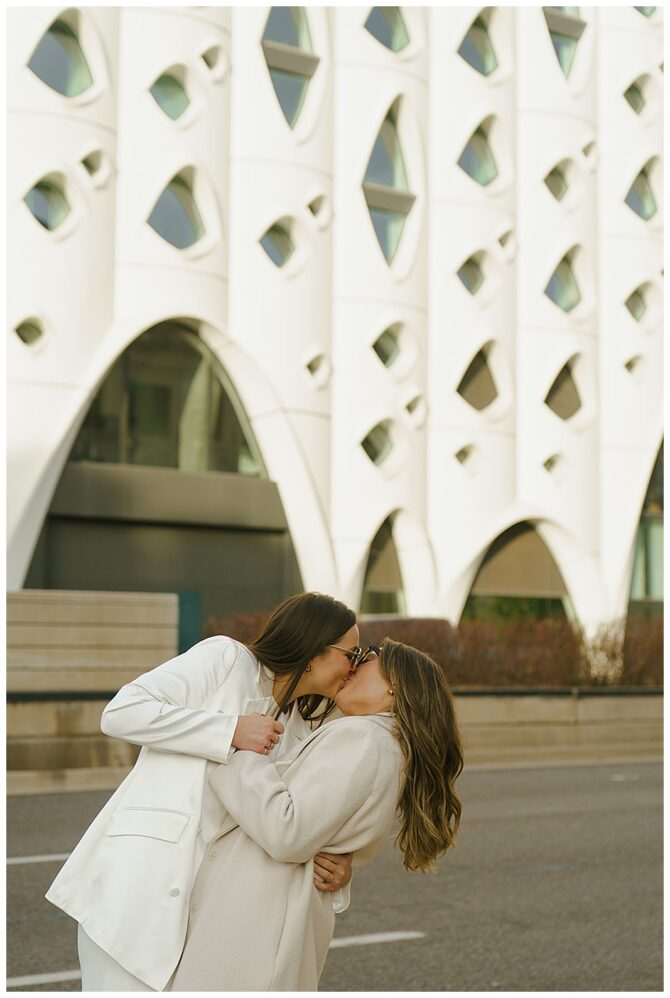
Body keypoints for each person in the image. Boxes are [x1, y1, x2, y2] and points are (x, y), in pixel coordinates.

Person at [46, 592, 363, 992]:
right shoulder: (226, 660)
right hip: (138, 890)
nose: (354, 667)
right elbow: (122, 712)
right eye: (349, 654)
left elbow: (288, 822)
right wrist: (229, 730)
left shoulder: (301, 730)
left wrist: (336, 865)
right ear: (312, 648)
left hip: (210, 913)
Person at [168, 637, 464, 992]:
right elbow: (321, 828)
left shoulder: (363, 738)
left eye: (368, 657)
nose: (353, 665)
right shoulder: (382, 742)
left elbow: (287, 832)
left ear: (394, 685)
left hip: (258, 916)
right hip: (270, 912)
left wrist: (241, 749)